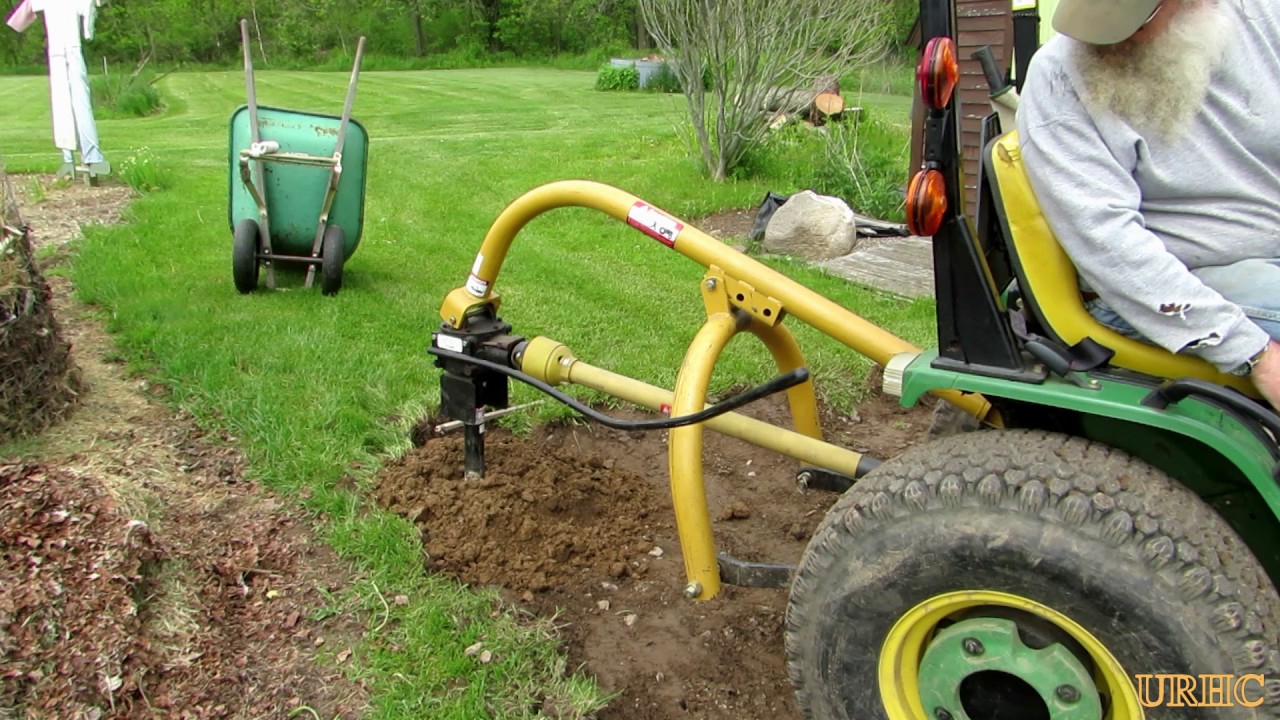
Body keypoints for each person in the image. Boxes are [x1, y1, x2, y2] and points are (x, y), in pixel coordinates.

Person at [1015, 0, 1280, 409]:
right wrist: (1256, 353)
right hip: (1166, 288)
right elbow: (1107, 241)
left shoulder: (1261, 18)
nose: (1102, 40)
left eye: (1133, 23)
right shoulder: (1058, 76)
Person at [5, 0, 110, 178]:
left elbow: (20, 20)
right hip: (67, 50)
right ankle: (83, 157)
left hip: (62, 50)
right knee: (75, 103)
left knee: (67, 103)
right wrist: (87, 30)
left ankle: (76, 157)